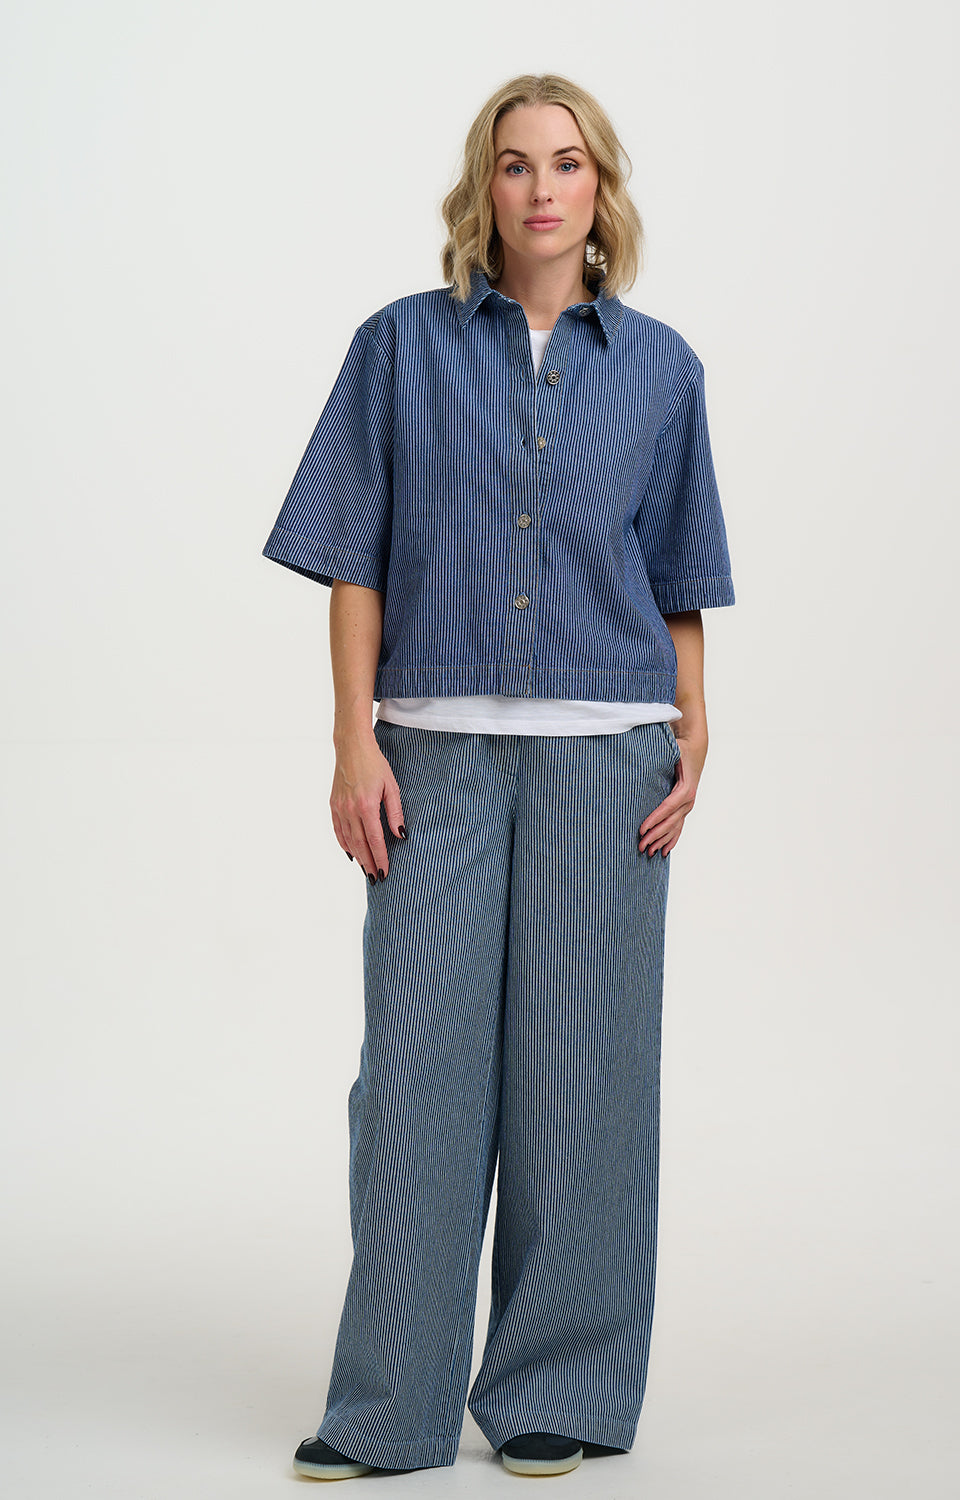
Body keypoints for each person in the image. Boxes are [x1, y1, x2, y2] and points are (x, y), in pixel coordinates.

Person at [261, 73, 736, 1482]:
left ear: (603, 190)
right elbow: (352, 556)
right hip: (434, 755)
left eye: (568, 164)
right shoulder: (399, 349)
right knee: (413, 1083)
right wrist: (353, 739)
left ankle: (555, 1394)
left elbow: (676, 574)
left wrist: (695, 718)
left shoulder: (662, 370)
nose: (542, 189)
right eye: (517, 165)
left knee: (583, 1085)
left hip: (611, 761)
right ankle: (390, 1411)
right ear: (486, 189)